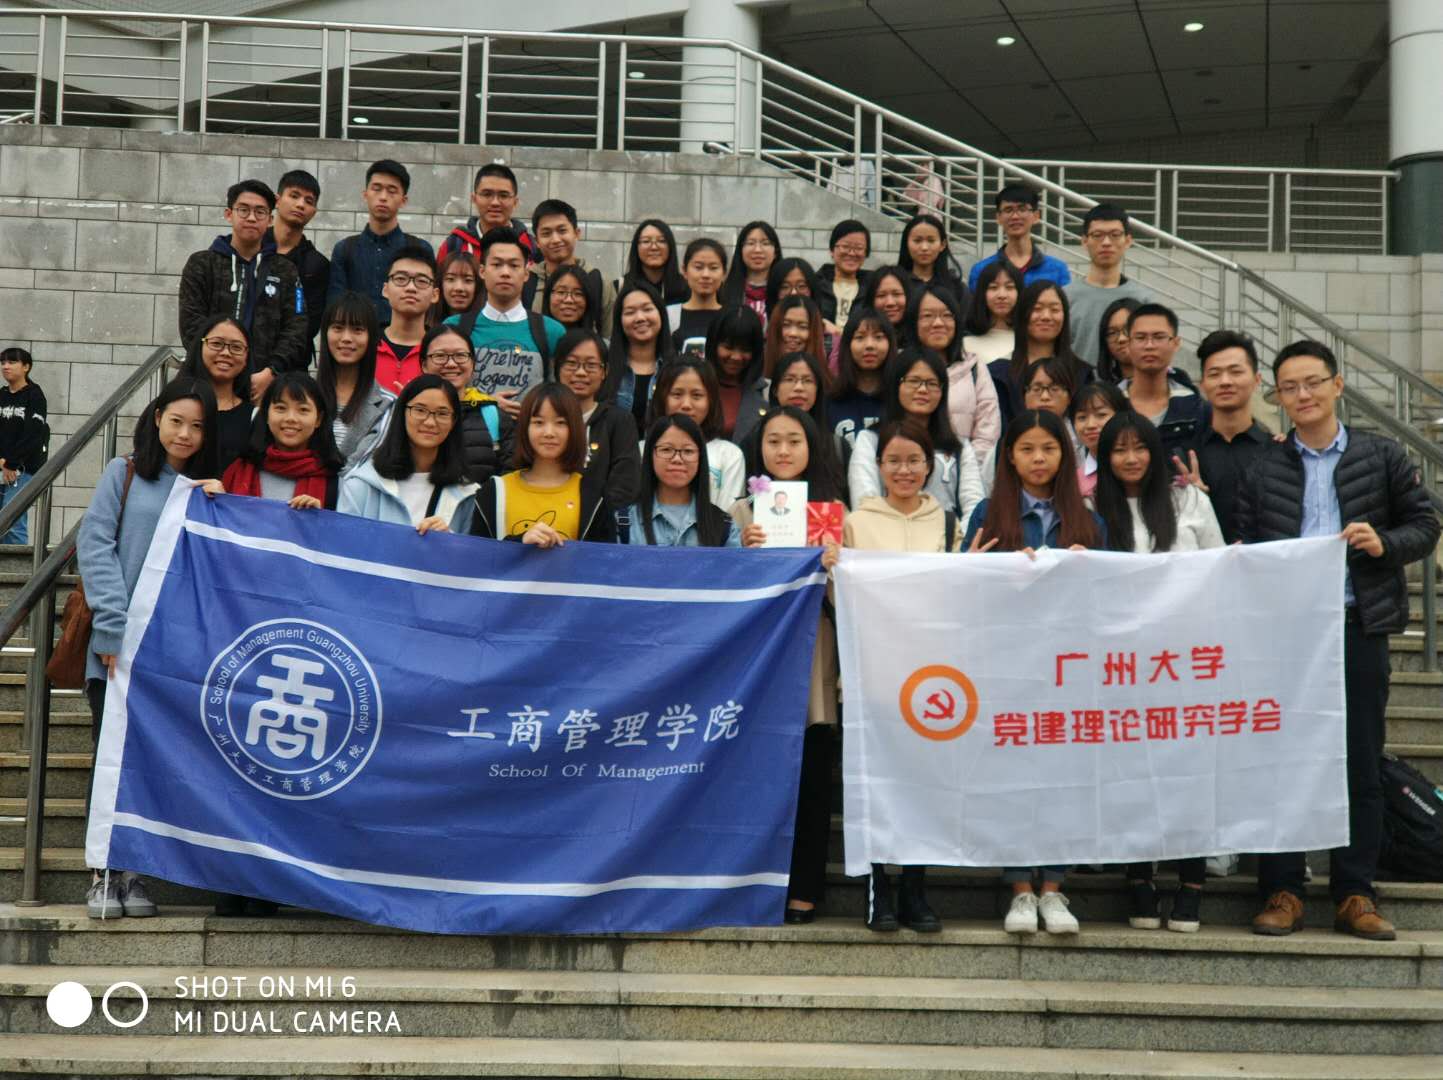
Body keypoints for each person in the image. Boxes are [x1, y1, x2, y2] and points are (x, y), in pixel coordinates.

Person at [1237, 340, 1440, 942]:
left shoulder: (1382, 455)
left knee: (1359, 760)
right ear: (1277, 396)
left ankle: (1355, 891)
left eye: (1312, 383)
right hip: (1287, 635)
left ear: (1337, 385)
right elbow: (1245, 547)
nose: (1302, 395)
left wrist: (1384, 544)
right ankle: (1282, 889)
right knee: (1282, 758)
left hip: (1357, 624)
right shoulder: (1263, 467)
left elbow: (1425, 524)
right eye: (1289, 387)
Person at [78, 375, 219, 919]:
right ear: (157, 417)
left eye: (197, 426)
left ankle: (135, 873)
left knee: (152, 762)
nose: (185, 434)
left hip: (171, 656)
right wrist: (111, 627)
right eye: (176, 421)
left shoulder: (206, 490)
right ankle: (102, 875)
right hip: (116, 648)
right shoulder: (125, 472)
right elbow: (96, 545)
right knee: (110, 758)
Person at [964, 409, 1104, 937]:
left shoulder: (1088, 519)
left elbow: (1113, 598)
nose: (1038, 458)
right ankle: (1021, 888)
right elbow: (964, 590)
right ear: (1010, 456)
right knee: (1013, 778)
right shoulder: (988, 513)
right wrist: (979, 566)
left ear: (1065, 456)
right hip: (1007, 667)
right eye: (1027, 449)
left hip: (1069, 669)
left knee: (1064, 777)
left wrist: (1085, 570)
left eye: (1049, 448)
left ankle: (1054, 887)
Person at [1091, 411, 1223, 932]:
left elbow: (1219, 569)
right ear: (1104, 458)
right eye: (1118, 449)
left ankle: (1192, 881)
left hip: (1185, 663)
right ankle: (1139, 877)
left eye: (1139, 447)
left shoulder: (1189, 501)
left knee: (1189, 771)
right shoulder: (1091, 508)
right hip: (1120, 669)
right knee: (1132, 773)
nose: (1130, 458)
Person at [844, 417, 963, 933]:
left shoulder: (949, 523)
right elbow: (841, 601)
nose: (904, 470)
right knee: (874, 783)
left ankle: (915, 888)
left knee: (922, 784)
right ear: (878, 467)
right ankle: (878, 888)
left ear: (930, 466)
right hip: (873, 673)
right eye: (893, 461)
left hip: (932, 677)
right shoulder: (856, 522)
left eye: (914, 460)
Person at [732, 406, 844, 924]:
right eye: (773, 440)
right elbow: (724, 594)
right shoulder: (741, 513)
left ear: (811, 447)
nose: (783, 450)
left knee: (813, 777)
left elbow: (850, 602)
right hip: (757, 666)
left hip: (814, 657)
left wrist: (834, 566)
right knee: (754, 778)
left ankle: (804, 889)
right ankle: (752, 883)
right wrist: (744, 554)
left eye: (794, 441)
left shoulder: (833, 514)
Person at [177, 179, 307, 400]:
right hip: (208, 383)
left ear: (270, 220)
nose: (251, 218)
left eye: (260, 212)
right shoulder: (202, 264)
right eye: (243, 210)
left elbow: (297, 326)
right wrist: (221, 364)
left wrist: (272, 371)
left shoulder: (285, 270)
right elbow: (191, 323)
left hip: (265, 387)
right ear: (229, 214)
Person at [849, 349, 983, 524]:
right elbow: (865, 501)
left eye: (932, 383)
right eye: (913, 381)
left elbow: (974, 505)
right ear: (896, 385)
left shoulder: (959, 446)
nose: (922, 389)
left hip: (948, 537)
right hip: (886, 536)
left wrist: (957, 539)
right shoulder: (871, 440)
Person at [471, 382, 615, 544]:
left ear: (575, 428)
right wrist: (520, 542)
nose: (549, 433)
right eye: (539, 422)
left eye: (560, 422)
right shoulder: (495, 491)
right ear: (524, 427)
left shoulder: (594, 495)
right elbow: (478, 555)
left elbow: (605, 557)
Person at [337, 374, 477, 534]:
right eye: (420, 410)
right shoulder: (362, 485)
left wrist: (448, 541)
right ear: (401, 413)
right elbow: (342, 543)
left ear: (454, 421)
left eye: (442, 413)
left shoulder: (467, 493)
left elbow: (471, 549)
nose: (430, 422)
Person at [449, 226, 565, 419]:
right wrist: (484, 403)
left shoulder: (551, 331)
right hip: (469, 432)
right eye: (497, 264)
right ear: (482, 271)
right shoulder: (454, 328)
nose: (505, 273)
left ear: (526, 273)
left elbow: (562, 397)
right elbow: (442, 392)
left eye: (514, 265)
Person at [1186, 330, 1270, 544]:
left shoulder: (1276, 451)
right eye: (1214, 374)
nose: (1225, 382)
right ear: (1202, 385)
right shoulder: (1186, 456)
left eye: (1235, 372)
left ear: (1257, 380)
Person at [327, 160, 434, 325]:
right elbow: (335, 308)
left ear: (403, 200)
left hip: (404, 339)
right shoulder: (344, 249)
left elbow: (428, 306)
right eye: (376, 189)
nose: (383, 197)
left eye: (392, 191)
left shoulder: (420, 249)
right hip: (356, 337)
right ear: (365, 194)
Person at [222, 372, 343, 510]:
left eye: (303, 410)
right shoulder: (237, 471)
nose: (291, 418)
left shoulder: (336, 484)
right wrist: (216, 497)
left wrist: (320, 517)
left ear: (318, 419)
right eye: (281, 408)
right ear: (266, 414)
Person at [907, 281, 1000, 458]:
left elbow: (987, 432)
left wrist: (965, 469)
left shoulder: (974, 367)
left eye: (946, 315)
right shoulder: (899, 364)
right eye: (927, 316)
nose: (938, 323)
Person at [554, 328, 640, 513]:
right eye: (571, 363)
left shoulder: (619, 421)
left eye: (591, 365)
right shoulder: (541, 418)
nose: (581, 372)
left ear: (604, 371)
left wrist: (589, 518)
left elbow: (625, 484)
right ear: (557, 367)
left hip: (598, 523)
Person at [623, 414, 740, 547]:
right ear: (650, 455)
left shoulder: (725, 526)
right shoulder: (624, 522)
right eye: (666, 449)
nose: (677, 459)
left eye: (688, 451)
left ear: (700, 457)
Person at [418, 323, 511, 488]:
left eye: (460, 355)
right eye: (440, 356)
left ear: (473, 364)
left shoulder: (493, 415)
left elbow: (511, 477)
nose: (451, 364)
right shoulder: (408, 412)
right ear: (424, 364)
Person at [646, 357, 746, 508]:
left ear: (711, 401)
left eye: (697, 395)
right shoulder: (641, 450)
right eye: (677, 394)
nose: (686, 405)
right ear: (662, 399)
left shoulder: (729, 455)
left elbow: (729, 514)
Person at [990, 282, 1088, 427]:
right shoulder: (997, 374)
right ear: (1023, 315)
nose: (1046, 316)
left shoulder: (1082, 372)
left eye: (1054, 310)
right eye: (1037, 309)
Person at [315, 292, 392, 471]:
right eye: (338, 328)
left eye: (357, 330)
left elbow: (365, 466)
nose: (346, 338)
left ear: (371, 337)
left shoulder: (387, 404)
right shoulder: (304, 395)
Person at [1066, 204, 1150, 367]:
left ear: (1128, 241)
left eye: (1115, 235)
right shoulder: (1065, 298)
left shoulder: (1144, 299)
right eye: (1097, 235)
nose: (1106, 242)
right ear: (1084, 241)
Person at [1121, 303, 1207, 459]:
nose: (1149, 345)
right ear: (1128, 344)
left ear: (1176, 343)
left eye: (1159, 337)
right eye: (1140, 338)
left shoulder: (1194, 406)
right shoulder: (1112, 402)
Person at [527, 198, 616, 331]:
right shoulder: (526, 281)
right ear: (537, 242)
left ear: (576, 233)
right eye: (546, 233)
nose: (555, 240)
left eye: (562, 231)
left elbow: (609, 338)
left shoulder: (600, 282)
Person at [268, 168, 330, 359]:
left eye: (308, 201)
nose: (300, 204)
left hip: (291, 363)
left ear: (314, 211)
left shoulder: (317, 265)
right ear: (277, 200)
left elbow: (309, 326)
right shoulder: (252, 248)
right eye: (294, 196)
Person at [179, 316, 252, 475]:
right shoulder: (174, 404)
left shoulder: (255, 417)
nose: (226, 353)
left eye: (236, 347)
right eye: (217, 344)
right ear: (200, 347)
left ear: (247, 356)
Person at [967, 183, 1071, 293]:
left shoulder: (1057, 270)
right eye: (1008, 210)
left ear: (1036, 216)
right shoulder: (981, 270)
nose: (1015, 216)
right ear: (998, 217)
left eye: (1022, 209)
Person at [602, 279, 676, 432]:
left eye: (647, 309)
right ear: (619, 320)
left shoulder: (677, 368)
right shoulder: (605, 366)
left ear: (661, 313)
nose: (640, 318)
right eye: (630, 312)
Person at [439, 162, 538, 267]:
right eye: (487, 194)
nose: (495, 202)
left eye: (503, 196)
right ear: (474, 199)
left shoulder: (531, 246)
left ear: (515, 202)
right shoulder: (454, 245)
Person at [374, 244, 439, 394]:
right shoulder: (366, 346)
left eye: (421, 281)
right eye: (401, 279)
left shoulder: (440, 352)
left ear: (435, 294)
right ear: (385, 289)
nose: (411, 288)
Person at [830, 307, 896, 454]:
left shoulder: (900, 400)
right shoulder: (830, 401)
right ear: (847, 345)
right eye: (860, 337)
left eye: (878, 337)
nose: (869, 345)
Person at [0, 347, 46, 545]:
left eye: (12, 362)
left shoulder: (34, 396)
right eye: (3, 362)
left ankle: (18, 564)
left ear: (26, 367)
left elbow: (33, 434)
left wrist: (11, 463)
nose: (5, 366)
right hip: (2, 465)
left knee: (13, 521)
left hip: (23, 468)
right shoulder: (2, 395)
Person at [708, 307, 769, 446]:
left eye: (745, 350)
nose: (736, 357)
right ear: (713, 345)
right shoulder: (695, 384)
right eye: (728, 347)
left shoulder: (767, 392)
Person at [1070, 380, 1130, 499]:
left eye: (1101, 415)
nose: (1090, 425)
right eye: (1082, 417)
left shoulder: (1139, 467)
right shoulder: (1073, 483)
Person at [669, 238, 727, 358]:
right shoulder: (669, 315)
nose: (705, 275)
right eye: (698, 267)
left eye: (713, 268)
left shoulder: (731, 316)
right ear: (684, 271)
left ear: (724, 273)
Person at [962, 260, 1024, 366]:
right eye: (993, 287)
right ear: (982, 293)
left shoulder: (1031, 340)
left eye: (1009, 287)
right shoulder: (964, 343)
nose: (1002, 295)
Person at [897, 213, 968, 307]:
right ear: (906, 243)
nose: (924, 247)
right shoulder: (896, 283)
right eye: (917, 241)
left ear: (942, 245)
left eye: (931, 241)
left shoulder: (957, 288)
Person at [720, 221, 781, 321]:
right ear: (740, 250)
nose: (757, 250)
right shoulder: (723, 292)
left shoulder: (784, 292)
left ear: (775, 252)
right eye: (750, 243)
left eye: (765, 243)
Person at [815, 219, 871, 327]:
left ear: (866, 253)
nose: (851, 253)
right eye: (845, 247)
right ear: (832, 250)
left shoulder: (873, 286)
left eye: (859, 248)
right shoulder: (815, 283)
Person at [619, 219, 689, 306]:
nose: (654, 247)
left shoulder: (686, 288)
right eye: (646, 241)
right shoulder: (621, 286)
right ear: (636, 247)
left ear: (670, 247)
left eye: (661, 241)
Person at [763, 295, 825, 379]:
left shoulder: (827, 384)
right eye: (786, 325)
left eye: (802, 327)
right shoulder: (757, 377)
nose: (793, 333)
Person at [544, 264, 603, 336]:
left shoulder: (597, 343)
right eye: (561, 292)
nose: (569, 300)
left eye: (578, 293)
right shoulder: (534, 341)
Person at [1095, 296, 1144, 384]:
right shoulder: (1102, 391)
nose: (1121, 338)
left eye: (1128, 328)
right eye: (1112, 333)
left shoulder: (1170, 383)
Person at [431, 249, 482, 328]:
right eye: (450, 279)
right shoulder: (425, 325)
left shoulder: (485, 329)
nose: (459, 288)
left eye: (468, 280)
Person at [858, 266, 911, 339]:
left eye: (897, 294)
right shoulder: (859, 337)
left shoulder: (922, 336)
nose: (890, 303)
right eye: (881, 295)